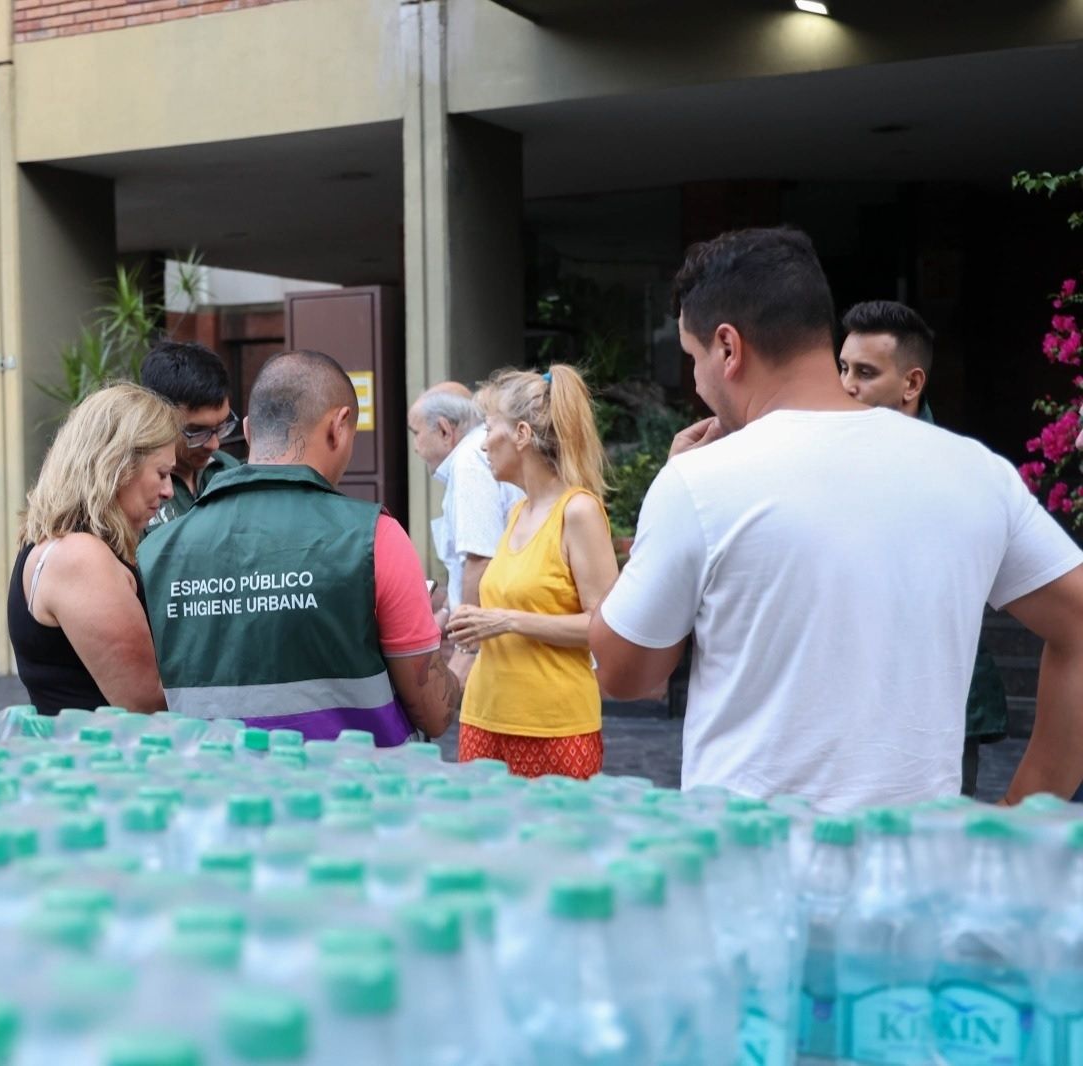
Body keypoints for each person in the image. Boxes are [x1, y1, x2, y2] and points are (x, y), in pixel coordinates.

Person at [590, 226, 1083, 812]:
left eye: (693, 358)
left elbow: (626, 673)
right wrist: (1024, 820)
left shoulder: (699, 482)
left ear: (728, 348)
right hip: (918, 876)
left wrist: (659, 506)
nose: (696, 382)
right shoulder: (975, 469)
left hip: (750, 873)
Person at [139, 349, 457, 744]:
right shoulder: (375, 537)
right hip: (355, 791)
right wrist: (452, 666)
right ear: (339, 427)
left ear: (250, 431)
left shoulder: (156, 548)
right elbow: (434, 712)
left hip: (213, 790)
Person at [838, 299, 1010, 797]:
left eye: (865, 373)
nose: (847, 385)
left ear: (912, 384)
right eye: (843, 368)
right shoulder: (827, 456)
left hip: (938, 712)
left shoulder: (963, 473)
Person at [443, 366, 619, 778]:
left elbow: (605, 626)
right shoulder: (519, 511)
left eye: (489, 429)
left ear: (521, 434)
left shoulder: (578, 511)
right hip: (485, 716)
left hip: (553, 725)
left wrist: (505, 620)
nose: (484, 445)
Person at [8, 383, 180, 716]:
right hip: (104, 761)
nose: (168, 490)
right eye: (161, 473)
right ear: (117, 466)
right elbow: (144, 702)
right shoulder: (80, 557)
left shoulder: (61, 545)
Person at [406, 382, 525, 684]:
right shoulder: (474, 455)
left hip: (495, 637)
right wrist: (445, 613)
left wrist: (467, 648)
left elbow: (480, 558)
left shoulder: (469, 460)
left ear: (445, 430)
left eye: (416, 433)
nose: (416, 446)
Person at [140, 339, 240, 529]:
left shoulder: (229, 471)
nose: (214, 444)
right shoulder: (137, 488)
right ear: (155, 417)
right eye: (197, 431)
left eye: (221, 426)